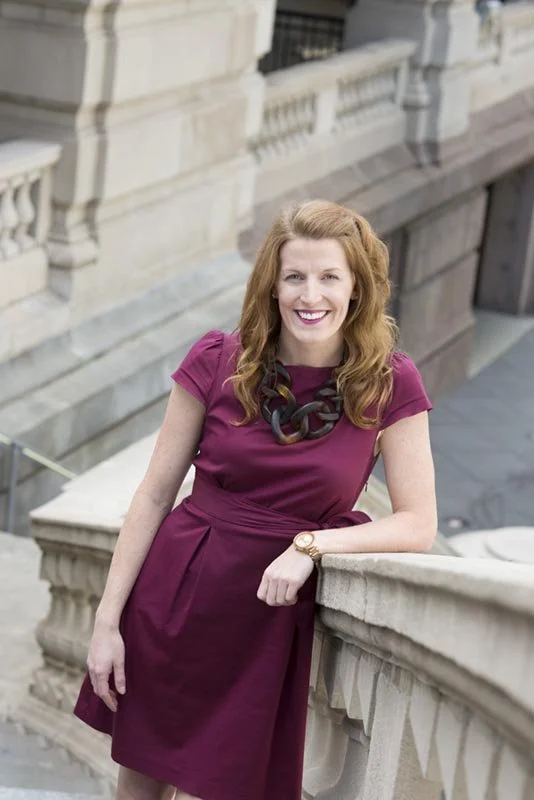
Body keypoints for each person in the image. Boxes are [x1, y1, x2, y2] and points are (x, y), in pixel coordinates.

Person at [74, 200, 437, 800]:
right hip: (176, 598)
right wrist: (106, 620)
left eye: (329, 277)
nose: (309, 295)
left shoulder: (390, 383)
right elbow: (154, 494)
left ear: (357, 288)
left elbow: (418, 523)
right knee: (139, 789)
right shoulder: (219, 359)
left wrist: (310, 545)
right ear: (272, 285)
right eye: (294, 276)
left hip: (268, 626)